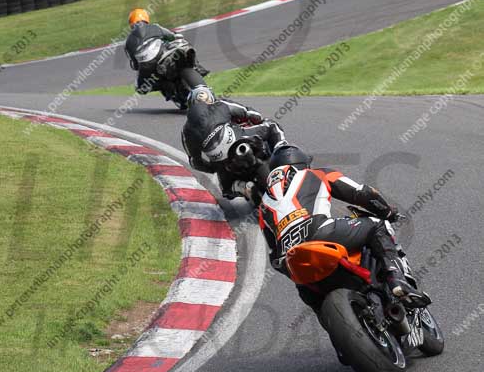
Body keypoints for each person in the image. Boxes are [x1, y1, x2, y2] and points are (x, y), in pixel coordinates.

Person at [259, 144, 428, 307]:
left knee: (309, 294)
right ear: (303, 163)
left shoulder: (263, 205)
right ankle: (396, 279)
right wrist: (388, 212)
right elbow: (363, 193)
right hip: (321, 231)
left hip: (290, 259)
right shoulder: (316, 174)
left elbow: (273, 256)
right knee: (378, 225)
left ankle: (332, 317)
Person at [181, 86, 287, 201]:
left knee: (226, 189)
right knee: (272, 125)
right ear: (210, 97)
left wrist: (213, 168)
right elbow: (248, 112)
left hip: (220, 162)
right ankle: (285, 154)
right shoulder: (220, 104)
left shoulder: (186, 131)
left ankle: (242, 187)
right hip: (238, 139)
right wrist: (259, 120)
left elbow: (195, 162)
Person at [125, 9, 207, 105]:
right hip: (161, 55)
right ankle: (197, 68)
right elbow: (171, 35)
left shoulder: (128, 42)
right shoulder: (154, 27)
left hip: (147, 67)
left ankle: (170, 86)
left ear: (131, 23)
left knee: (140, 88)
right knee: (182, 44)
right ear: (146, 19)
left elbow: (135, 64)